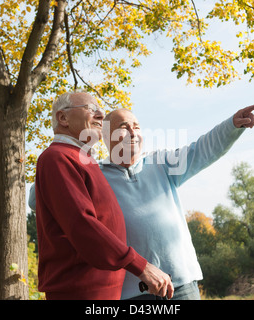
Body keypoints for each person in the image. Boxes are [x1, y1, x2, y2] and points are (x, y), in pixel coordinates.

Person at [30, 99, 254, 300]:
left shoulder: (162, 164)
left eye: (137, 126)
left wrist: (232, 125)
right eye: (123, 127)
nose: (132, 132)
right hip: (131, 292)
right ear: (105, 136)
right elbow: (44, 198)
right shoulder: (92, 172)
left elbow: (201, 150)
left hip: (181, 285)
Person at [34, 91, 173, 300]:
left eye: (100, 109)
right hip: (80, 290)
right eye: (91, 109)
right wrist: (141, 266)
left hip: (102, 290)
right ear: (63, 118)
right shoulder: (56, 158)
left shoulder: (84, 159)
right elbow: (81, 224)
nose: (100, 114)